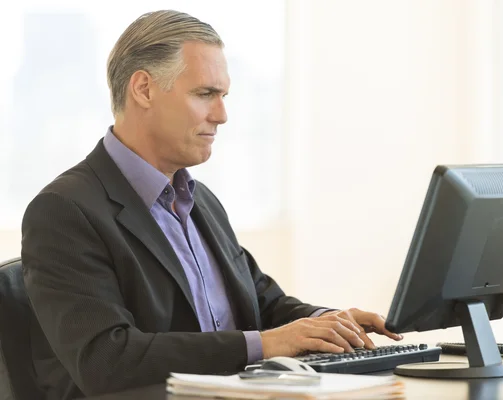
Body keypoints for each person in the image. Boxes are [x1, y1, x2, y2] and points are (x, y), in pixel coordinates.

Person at [21, 10, 401, 399]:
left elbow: (263, 305)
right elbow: (106, 359)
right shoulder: (64, 210)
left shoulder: (200, 200)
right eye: (205, 94)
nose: (221, 115)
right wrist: (266, 344)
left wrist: (327, 322)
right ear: (144, 89)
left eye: (223, 96)